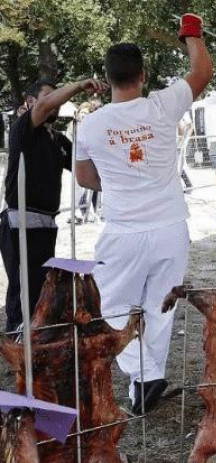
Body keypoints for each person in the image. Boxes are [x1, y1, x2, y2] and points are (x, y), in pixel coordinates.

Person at [75, 14, 212, 414]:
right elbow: (202, 70)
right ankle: (144, 381)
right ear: (143, 75)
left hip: (125, 229)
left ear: (108, 76)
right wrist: (190, 31)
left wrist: (121, 182)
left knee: (107, 306)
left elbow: (85, 178)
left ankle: (144, 374)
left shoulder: (93, 123)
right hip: (171, 225)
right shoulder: (162, 105)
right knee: (159, 308)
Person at [1, 77, 107, 333]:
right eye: (50, 97)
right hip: (20, 221)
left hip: (47, 223)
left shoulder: (58, 139)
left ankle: (37, 337)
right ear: (30, 102)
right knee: (22, 287)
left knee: (42, 285)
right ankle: (17, 337)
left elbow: (86, 172)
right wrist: (79, 86)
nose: (56, 104)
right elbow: (45, 106)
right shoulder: (23, 128)